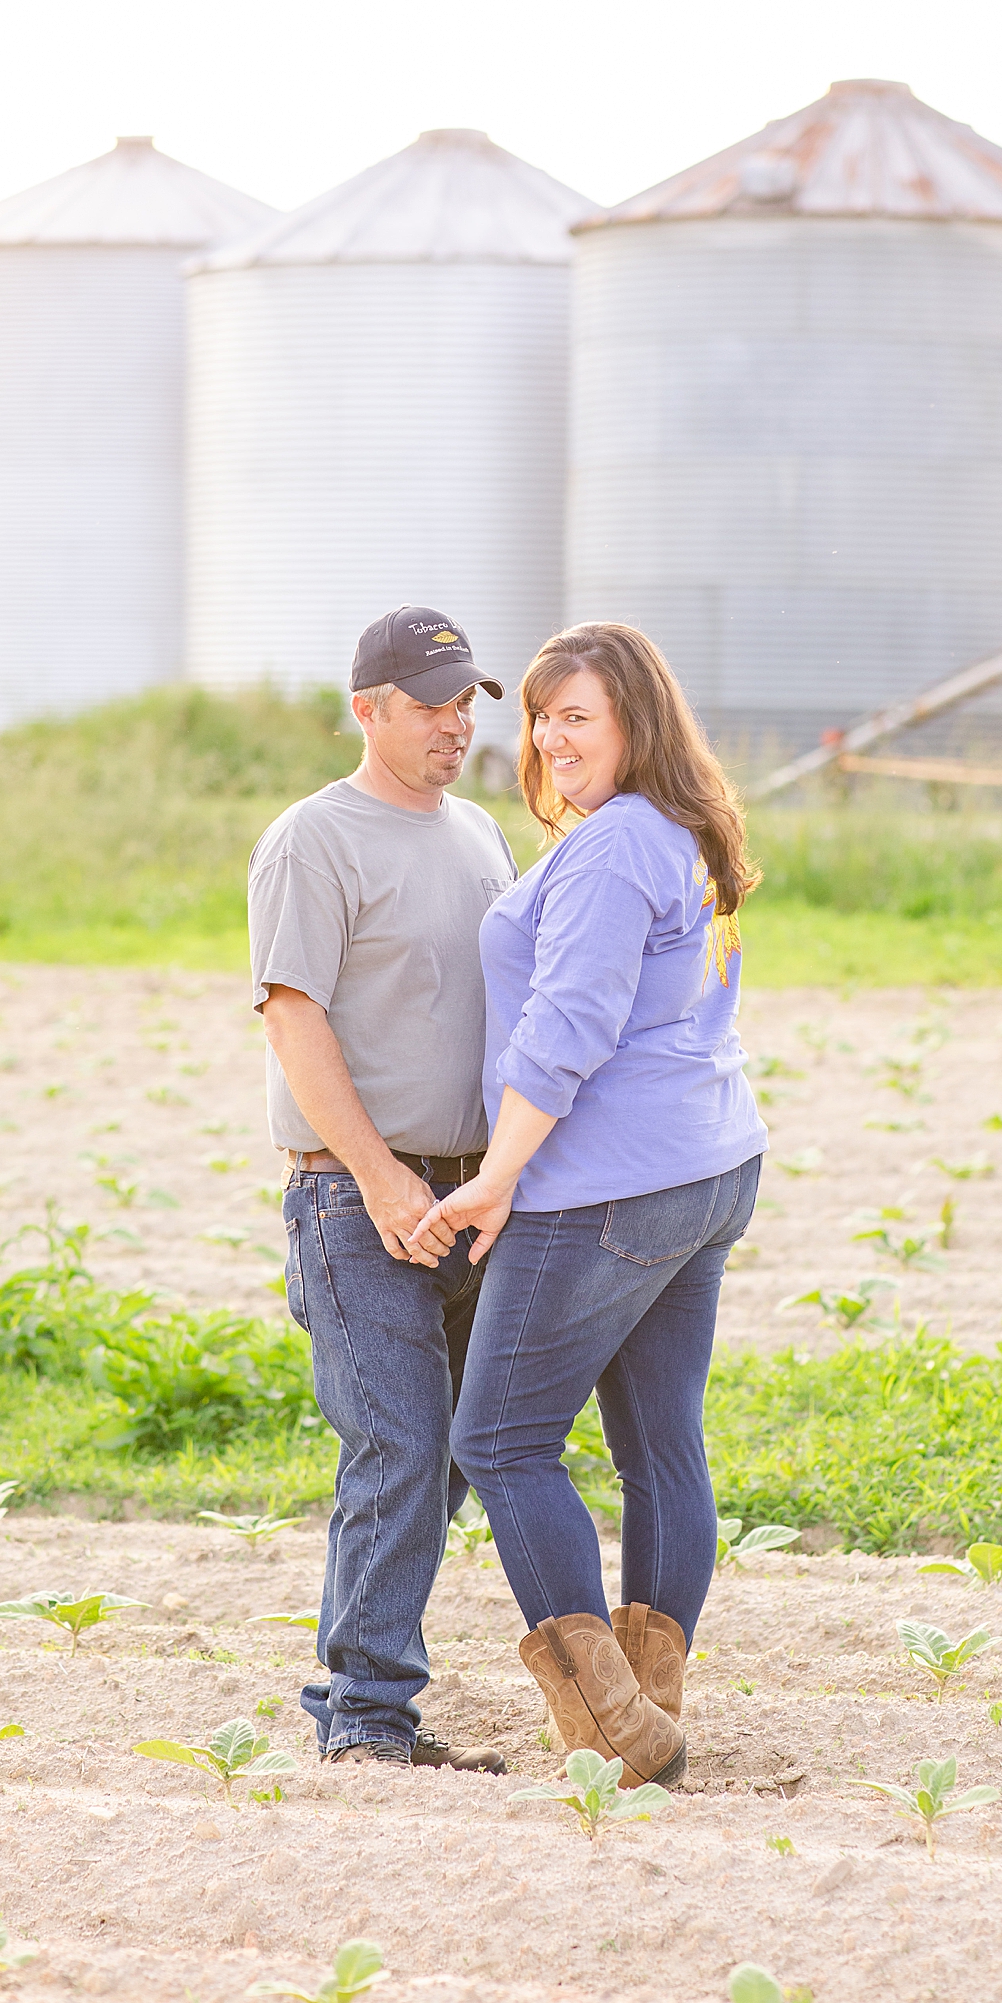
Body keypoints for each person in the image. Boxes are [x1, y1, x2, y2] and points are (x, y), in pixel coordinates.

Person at [409, 621, 766, 1789]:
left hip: (606, 1186)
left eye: (580, 717)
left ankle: (612, 1730)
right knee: (662, 1443)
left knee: (499, 1437)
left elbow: (567, 1033)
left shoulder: (615, 848)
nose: (553, 739)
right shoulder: (684, 828)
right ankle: (649, 1704)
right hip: (705, 1167)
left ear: (635, 723)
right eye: (543, 716)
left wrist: (498, 1175)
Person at [249, 604, 518, 1771]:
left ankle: (372, 1684)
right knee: (400, 1445)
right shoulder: (315, 840)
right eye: (431, 705)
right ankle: (362, 1714)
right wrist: (381, 1178)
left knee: (459, 1449)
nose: (455, 725)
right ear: (369, 710)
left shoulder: (480, 835)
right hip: (357, 1201)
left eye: (466, 703)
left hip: (471, 1198)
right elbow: (291, 1015)